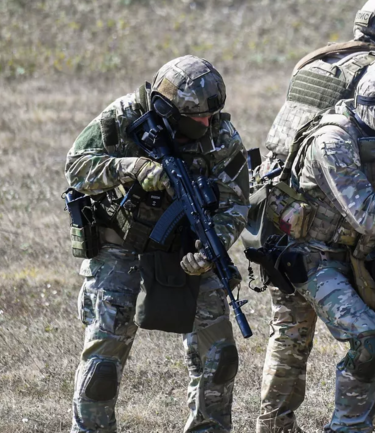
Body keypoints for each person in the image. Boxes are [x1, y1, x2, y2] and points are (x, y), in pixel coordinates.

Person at [254, 0, 375, 433]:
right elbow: (369, 210)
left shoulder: (321, 62)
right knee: (337, 335)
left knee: (293, 336)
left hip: (290, 216)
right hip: (311, 239)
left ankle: (279, 425)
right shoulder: (372, 82)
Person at [64, 55, 250, 433]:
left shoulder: (220, 134)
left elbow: (236, 202)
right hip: (121, 245)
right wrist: (132, 167)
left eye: (210, 116)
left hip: (186, 245)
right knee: (102, 363)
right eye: (196, 116)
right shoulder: (122, 117)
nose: (206, 123)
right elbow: (76, 167)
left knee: (220, 355)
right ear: (166, 108)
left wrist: (210, 249)